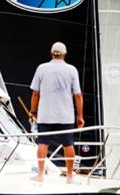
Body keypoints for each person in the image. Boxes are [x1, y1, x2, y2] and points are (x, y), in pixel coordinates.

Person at [30, 42, 84, 183]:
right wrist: (80, 116)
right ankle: (70, 176)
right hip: (65, 115)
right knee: (68, 144)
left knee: (42, 143)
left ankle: (41, 174)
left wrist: (33, 111)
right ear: (65, 54)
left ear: (51, 53)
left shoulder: (41, 68)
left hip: (45, 114)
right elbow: (77, 95)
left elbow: (35, 93)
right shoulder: (72, 70)